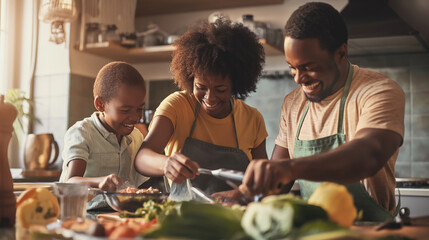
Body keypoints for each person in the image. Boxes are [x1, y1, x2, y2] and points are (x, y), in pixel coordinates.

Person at [240, 2, 405, 221]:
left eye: (309, 67)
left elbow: (368, 154)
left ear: (341, 53)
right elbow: (278, 181)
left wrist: (289, 168)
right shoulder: (293, 103)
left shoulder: (378, 91)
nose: (299, 78)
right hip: (317, 232)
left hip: (373, 230)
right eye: (292, 67)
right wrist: (242, 197)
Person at [134, 18, 268, 200]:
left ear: (236, 84)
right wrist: (166, 163)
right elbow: (142, 157)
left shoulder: (252, 118)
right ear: (190, 79)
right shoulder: (177, 105)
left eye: (220, 89)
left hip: (234, 216)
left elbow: (265, 180)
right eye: (201, 87)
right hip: (182, 214)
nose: (209, 98)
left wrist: (241, 194)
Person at [59, 61, 148, 209]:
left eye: (140, 109)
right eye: (125, 110)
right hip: (83, 214)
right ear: (100, 104)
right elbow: (70, 182)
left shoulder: (136, 136)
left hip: (118, 215)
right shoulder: (82, 133)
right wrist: (100, 182)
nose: (134, 117)